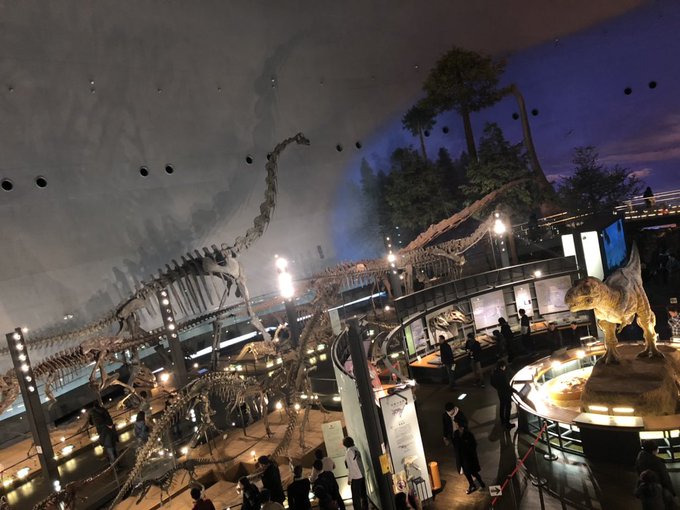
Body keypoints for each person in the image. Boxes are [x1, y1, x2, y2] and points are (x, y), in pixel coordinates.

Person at [452, 424, 485, 495]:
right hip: (461, 458)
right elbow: (455, 445)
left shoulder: (469, 434)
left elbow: (474, 445)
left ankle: (480, 482)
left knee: (473, 472)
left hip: (469, 458)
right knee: (467, 473)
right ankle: (472, 485)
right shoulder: (456, 434)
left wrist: (468, 449)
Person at [343, 436, 368, 510]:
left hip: (356, 477)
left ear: (345, 444)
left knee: (356, 498)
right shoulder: (356, 449)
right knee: (363, 494)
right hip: (362, 474)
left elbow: (350, 467)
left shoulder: (348, 452)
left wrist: (349, 479)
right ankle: (365, 508)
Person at [490, 360, 516, 430]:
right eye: (504, 367)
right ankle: (507, 424)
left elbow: (492, 383)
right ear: (502, 367)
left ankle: (502, 421)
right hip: (506, 394)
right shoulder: (503, 374)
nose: (505, 368)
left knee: (502, 406)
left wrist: (498, 388)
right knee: (508, 408)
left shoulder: (494, 373)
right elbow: (507, 386)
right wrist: (515, 391)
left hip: (500, 393)